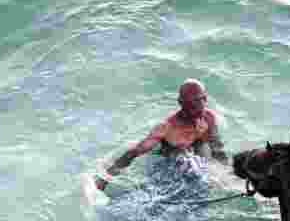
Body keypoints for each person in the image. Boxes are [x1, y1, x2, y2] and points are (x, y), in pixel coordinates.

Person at [94, 79, 228, 191]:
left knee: (206, 162)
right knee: (186, 162)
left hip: (197, 151)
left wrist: (225, 172)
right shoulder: (167, 128)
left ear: (205, 98)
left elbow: (217, 148)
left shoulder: (208, 116)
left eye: (201, 100)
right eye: (192, 105)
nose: (199, 108)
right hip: (172, 160)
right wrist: (104, 179)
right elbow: (133, 153)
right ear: (181, 104)